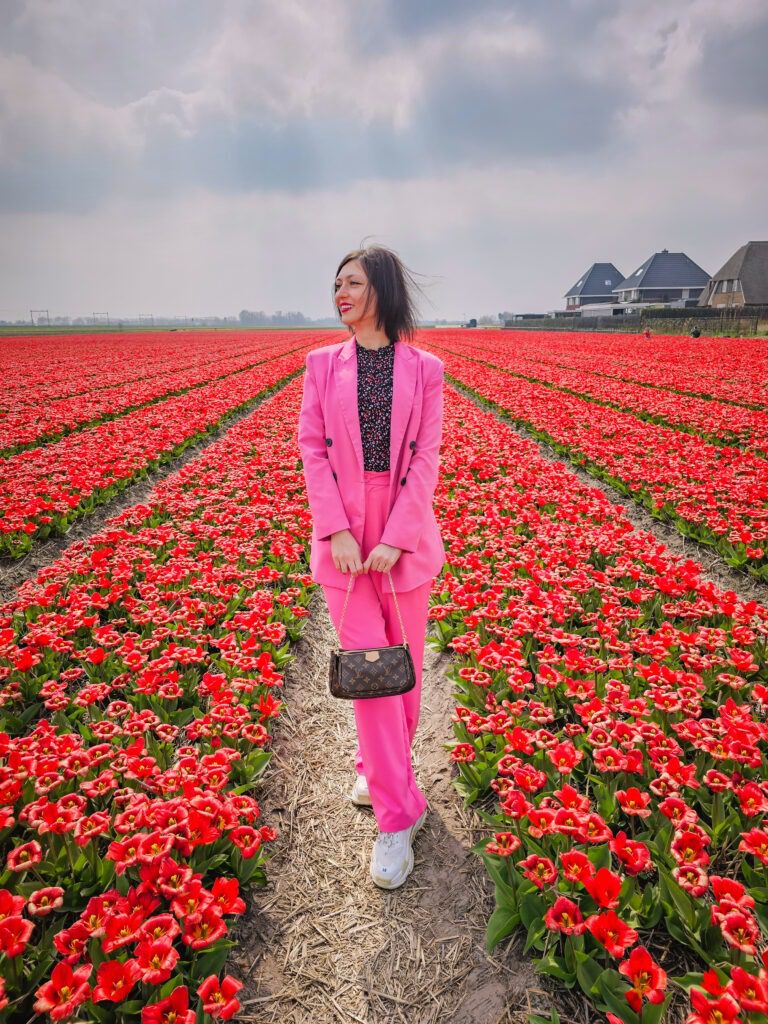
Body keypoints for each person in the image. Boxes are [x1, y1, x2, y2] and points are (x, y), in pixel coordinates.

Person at [297, 243, 446, 889]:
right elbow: (312, 449)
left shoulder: (426, 369)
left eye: (352, 282)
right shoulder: (320, 365)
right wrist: (335, 529)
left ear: (381, 289)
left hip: (402, 537)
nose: (340, 293)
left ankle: (385, 767)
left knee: (403, 670)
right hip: (344, 541)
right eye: (335, 284)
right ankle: (397, 813)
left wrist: (395, 535)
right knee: (370, 672)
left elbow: (426, 460)